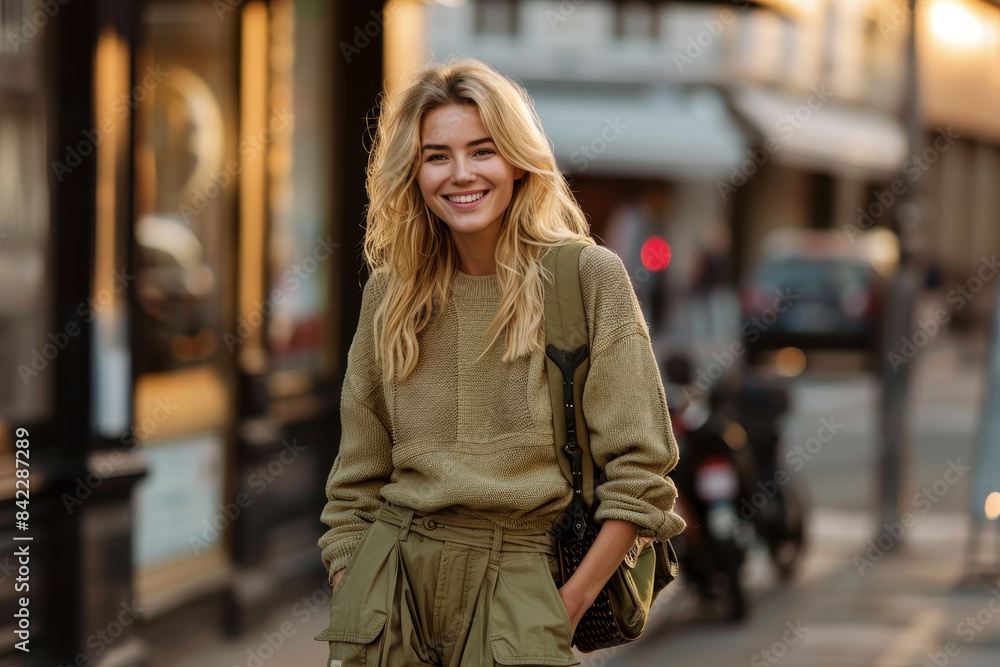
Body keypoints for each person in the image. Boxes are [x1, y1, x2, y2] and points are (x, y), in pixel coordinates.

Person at [315, 57, 685, 667]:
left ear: (517, 160)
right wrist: (352, 585)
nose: (461, 174)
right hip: (390, 579)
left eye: (482, 151)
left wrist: (563, 609)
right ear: (414, 172)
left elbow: (642, 475)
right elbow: (356, 479)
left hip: (521, 579)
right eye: (437, 156)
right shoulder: (390, 292)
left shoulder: (586, 278)